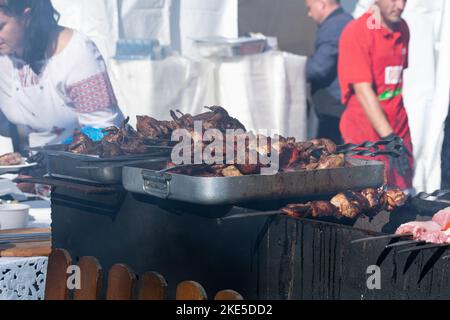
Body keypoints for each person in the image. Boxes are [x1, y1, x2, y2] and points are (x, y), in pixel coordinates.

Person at [0, 0, 123, 148]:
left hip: (85, 164)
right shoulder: (5, 55)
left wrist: (59, 152)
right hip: (33, 164)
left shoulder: (77, 54)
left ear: (27, 16)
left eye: (0, 26)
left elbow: (105, 130)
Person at [338, 0, 413, 191]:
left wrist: (397, 140)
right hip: (367, 135)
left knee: (402, 197)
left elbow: (393, 83)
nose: (401, 6)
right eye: (394, 0)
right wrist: (389, 138)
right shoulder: (357, 31)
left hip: (398, 131)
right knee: (369, 200)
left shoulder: (403, 29)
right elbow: (363, 91)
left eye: (404, 0)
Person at [305, 0, 353, 144]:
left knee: (330, 152)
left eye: (309, 8)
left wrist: (293, 69)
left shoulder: (333, 26)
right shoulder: (346, 20)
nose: (309, 14)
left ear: (322, 4)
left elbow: (319, 68)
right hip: (342, 104)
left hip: (334, 107)